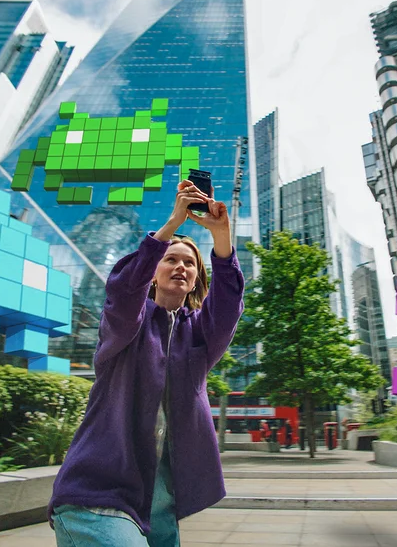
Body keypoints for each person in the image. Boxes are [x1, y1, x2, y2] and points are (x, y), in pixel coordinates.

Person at [48, 180, 245, 547]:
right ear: (153, 272)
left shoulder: (198, 338)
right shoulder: (126, 325)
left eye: (189, 263)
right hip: (97, 496)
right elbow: (123, 290)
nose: (181, 266)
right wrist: (171, 225)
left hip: (160, 507)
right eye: (171, 259)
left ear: (196, 281)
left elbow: (228, 306)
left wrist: (221, 236)